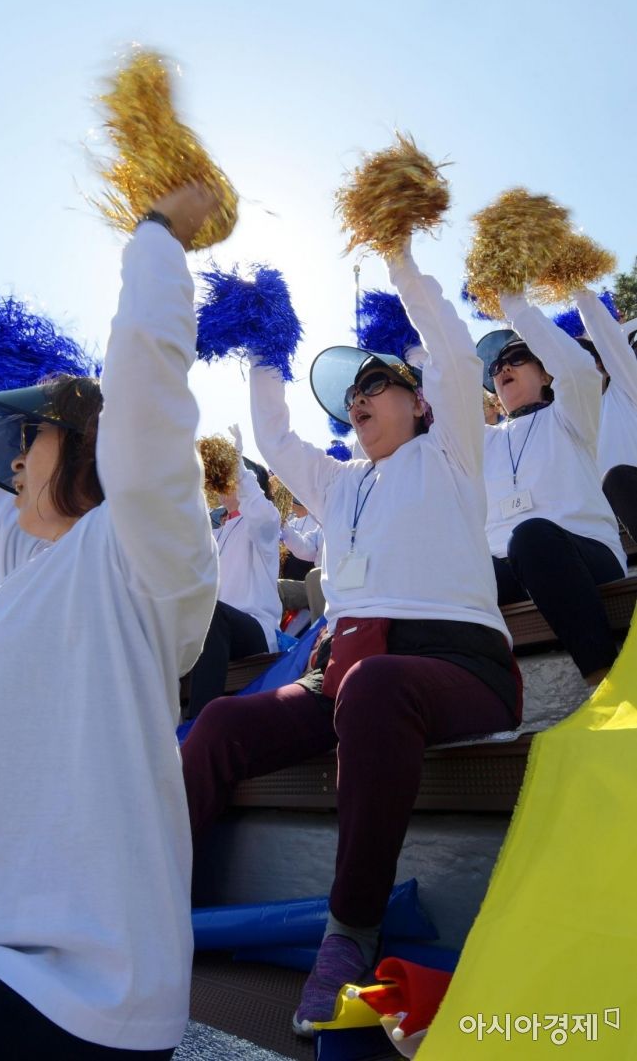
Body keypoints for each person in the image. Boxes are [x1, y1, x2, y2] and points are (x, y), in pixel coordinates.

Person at [0, 184, 220, 1060]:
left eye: (26, 436)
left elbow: (148, 394)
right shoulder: (24, 577)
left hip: (69, 990)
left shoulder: (135, 550)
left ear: (83, 447)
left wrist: (156, 238)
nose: (8, 458)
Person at [182, 244, 520, 1036]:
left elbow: (449, 346)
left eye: (377, 386)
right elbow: (273, 428)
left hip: (455, 666)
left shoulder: (452, 451)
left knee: (371, 689)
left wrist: (399, 258)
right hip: (347, 673)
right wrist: (263, 341)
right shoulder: (337, 485)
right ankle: (153, 895)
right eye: (353, 394)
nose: (359, 399)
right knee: (226, 719)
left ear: (422, 403)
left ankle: (349, 933)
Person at [479, 293, 626, 688]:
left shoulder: (570, 414)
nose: (502, 367)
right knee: (456, 566)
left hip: (581, 553)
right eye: (495, 366)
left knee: (531, 536)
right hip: (507, 568)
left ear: (545, 374)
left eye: (517, 358)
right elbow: (444, 406)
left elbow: (578, 370)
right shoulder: (487, 441)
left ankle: (602, 677)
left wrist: (514, 305)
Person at [186, 430, 281, 719]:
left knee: (211, 614)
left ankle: (199, 726)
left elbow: (262, 516)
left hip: (254, 630)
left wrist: (238, 465)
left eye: (231, 475)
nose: (222, 481)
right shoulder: (217, 532)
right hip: (214, 632)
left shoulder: (263, 527)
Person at [572, 292, 637, 543]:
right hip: (609, 530)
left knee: (617, 478)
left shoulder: (626, 389)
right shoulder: (564, 423)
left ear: (602, 366)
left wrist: (578, 290)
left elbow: (608, 337)